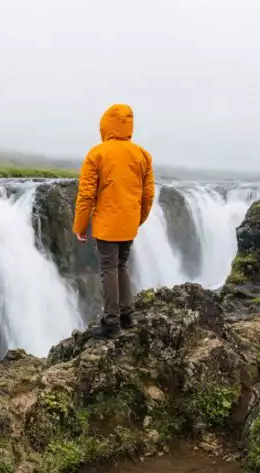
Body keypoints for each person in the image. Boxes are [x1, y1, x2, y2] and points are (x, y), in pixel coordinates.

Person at [72, 103, 156, 339]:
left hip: (106, 225)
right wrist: (138, 219)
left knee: (108, 268)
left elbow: (86, 194)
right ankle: (128, 315)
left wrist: (80, 225)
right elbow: (148, 195)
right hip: (129, 223)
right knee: (121, 265)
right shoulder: (142, 154)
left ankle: (111, 323)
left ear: (105, 125)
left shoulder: (97, 153)